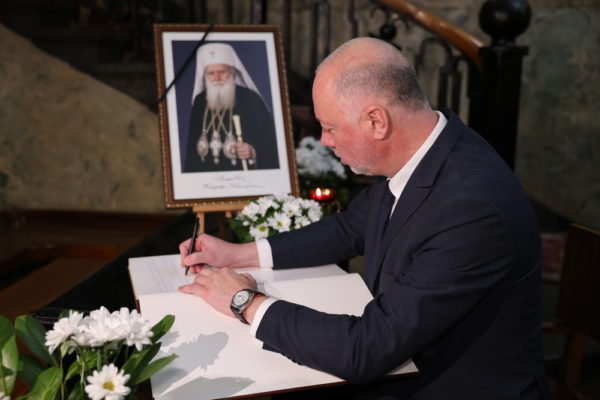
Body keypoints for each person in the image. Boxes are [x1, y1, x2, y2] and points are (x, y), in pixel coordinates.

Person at [178, 37, 550, 399]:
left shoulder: (470, 209)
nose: (324, 140)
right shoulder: (429, 152)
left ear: (376, 121)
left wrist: (244, 301)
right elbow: (349, 228)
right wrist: (238, 254)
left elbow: (366, 351)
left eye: (330, 127)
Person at [184, 42, 279, 172]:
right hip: (207, 178)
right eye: (211, 73)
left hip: (243, 179)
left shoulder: (251, 99)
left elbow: (271, 144)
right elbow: (192, 152)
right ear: (204, 75)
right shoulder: (200, 102)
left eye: (221, 72)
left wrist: (253, 152)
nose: (217, 78)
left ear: (232, 71)